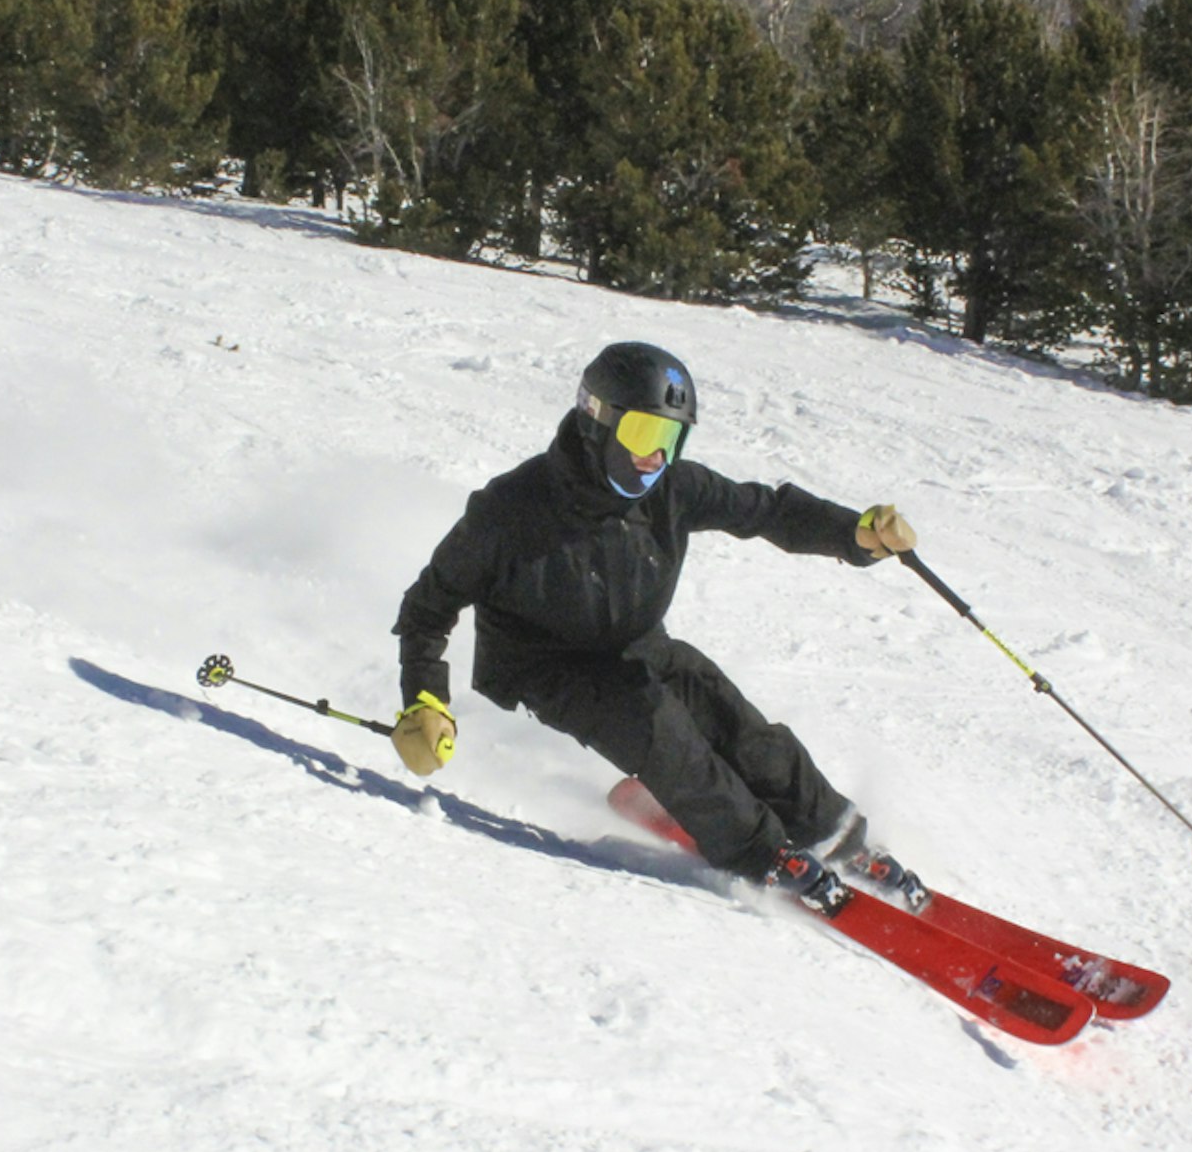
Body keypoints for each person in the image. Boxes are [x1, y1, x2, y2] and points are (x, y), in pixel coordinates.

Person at [390, 341, 920, 914]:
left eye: (670, 438)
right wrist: (425, 698)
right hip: (548, 666)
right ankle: (760, 852)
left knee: (732, 719)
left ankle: (832, 832)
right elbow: (428, 606)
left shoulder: (673, 490)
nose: (654, 457)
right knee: (662, 731)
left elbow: (766, 510)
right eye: (643, 434)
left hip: (637, 646)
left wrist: (854, 535)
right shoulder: (511, 509)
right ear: (597, 424)